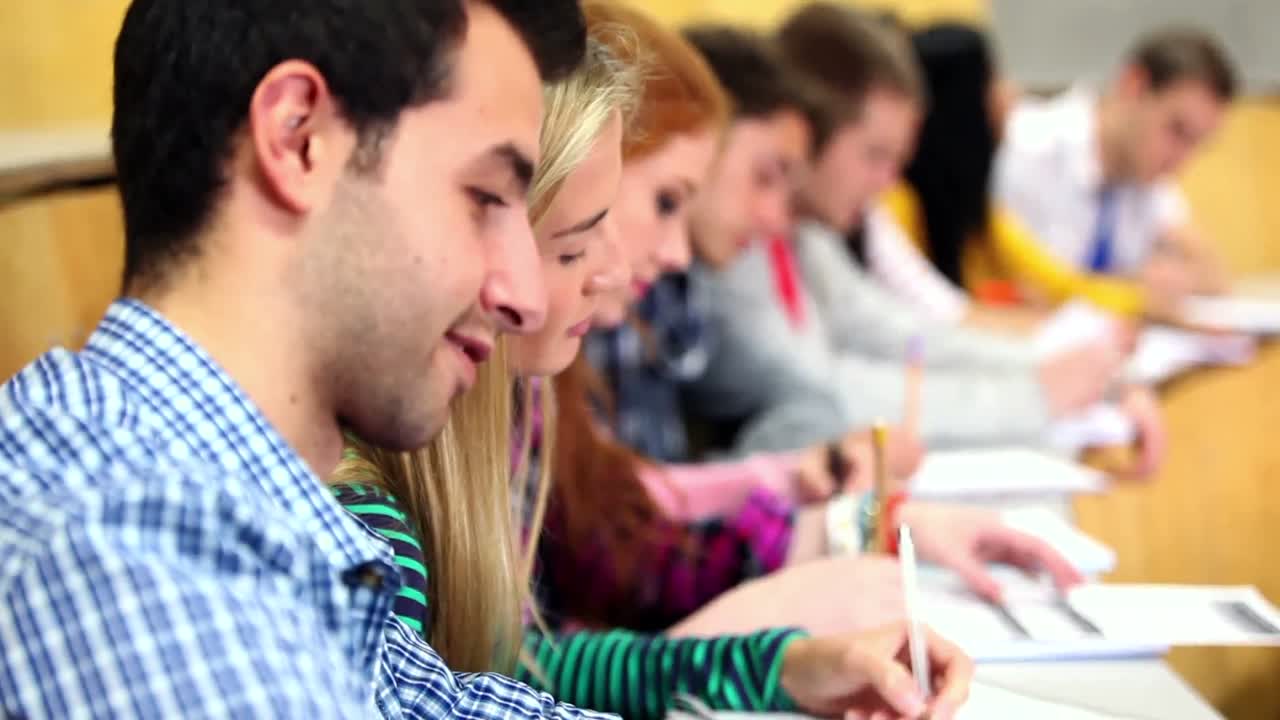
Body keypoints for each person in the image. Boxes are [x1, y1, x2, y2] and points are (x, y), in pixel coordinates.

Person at [334, 7, 974, 719]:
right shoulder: (367, 504)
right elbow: (595, 580)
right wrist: (766, 605)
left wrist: (779, 664)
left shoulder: (493, 411)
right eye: (577, 244)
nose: (665, 257)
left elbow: (509, 667)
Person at [0, 1, 610, 717]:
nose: (525, 298)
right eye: (483, 197)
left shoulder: (243, 507)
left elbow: (435, 704)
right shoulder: (127, 554)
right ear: (298, 140)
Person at [684, 2, 1123, 455]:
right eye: (874, 155)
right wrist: (1032, 394)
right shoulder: (734, 241)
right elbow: (822, 389)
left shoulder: (803, 234)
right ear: (816, 132)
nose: (890, 182)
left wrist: (1041, 367)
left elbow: (894, 332)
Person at [867, 23, 1149, 325]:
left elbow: (1060, 284)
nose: (1010, 94)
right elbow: (929, 319)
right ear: (960, 104)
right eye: (992, 80)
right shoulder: (895, 205)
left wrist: (1147, 300)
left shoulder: (973, 206)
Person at [994, 27, 1237, 316]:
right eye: (1177, 130)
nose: (1182, 161)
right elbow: (1027, 293)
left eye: (1197, 143)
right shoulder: (1026, 146)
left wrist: (1176, 277)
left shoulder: (1146, 175)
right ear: (1133, 85)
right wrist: (1135, 293)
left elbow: (1216, 278)